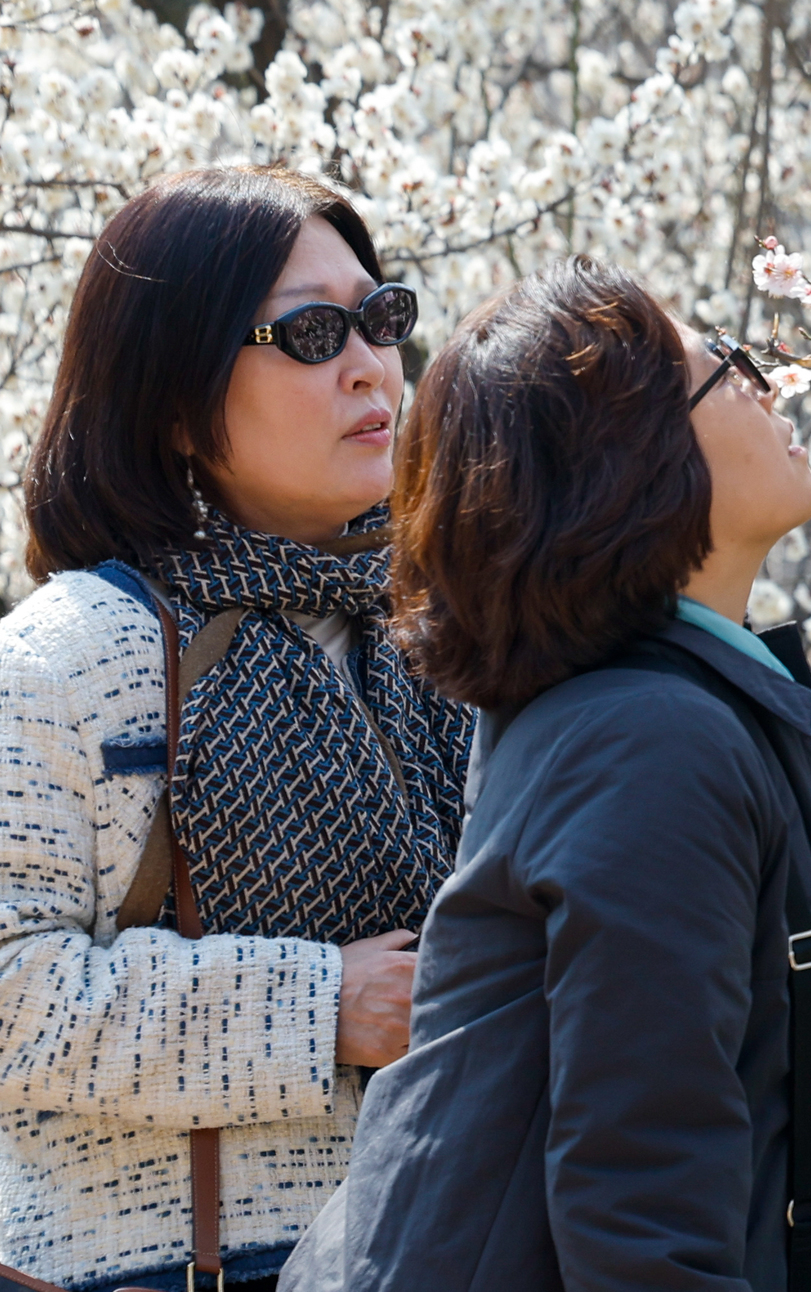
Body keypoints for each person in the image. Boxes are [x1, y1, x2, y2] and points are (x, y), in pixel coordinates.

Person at [282, 254, 811, 1292]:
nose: (766, 381)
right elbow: (641, 1215)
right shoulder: (645, 743)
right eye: (725, 368)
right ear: (625, 464)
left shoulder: (666, 707)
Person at [0, 166, 474, 1292]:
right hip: (164, 1267)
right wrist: (320, 1007)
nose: (369, 364)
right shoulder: (66, 656)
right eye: (311, 333)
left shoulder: (445, 632)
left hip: (438, 1244)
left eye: (380, 317)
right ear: (172, 399)